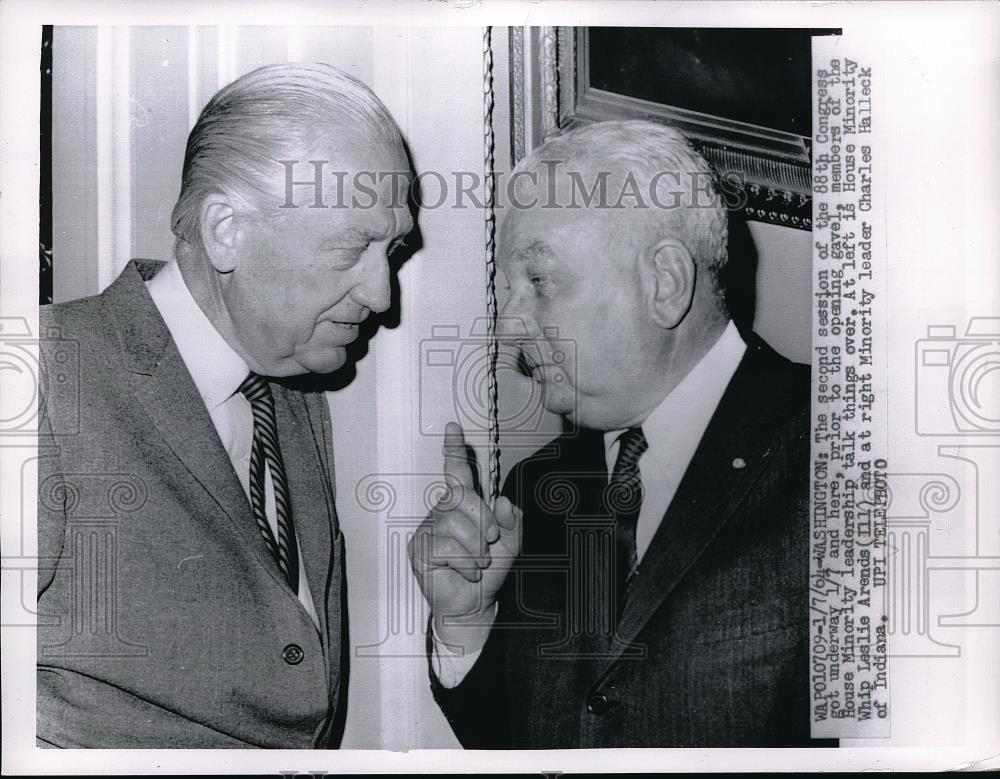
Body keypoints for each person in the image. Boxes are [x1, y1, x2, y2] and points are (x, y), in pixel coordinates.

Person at [410, 119, 825, 748]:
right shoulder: (534, 489)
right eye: (510, 290)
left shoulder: (845, 454)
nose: (511, 329)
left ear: (664, 283)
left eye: (540, 283)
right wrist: (467, 619)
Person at [37, 63, 413, 748]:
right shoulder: (41, 373)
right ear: (226, 230)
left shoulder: (292, 396)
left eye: (390, 249)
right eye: (354, 246)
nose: (383, 294)